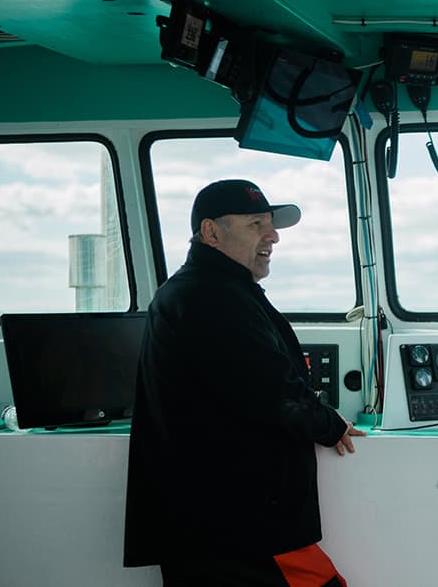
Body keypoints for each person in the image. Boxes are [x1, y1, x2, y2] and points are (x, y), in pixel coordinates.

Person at [124, 179, 365, 586]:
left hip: (214, 522)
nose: (272, 236)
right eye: (255, 224)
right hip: (240, 522)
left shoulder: (204, 290)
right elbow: (273, 393)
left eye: (271, 224)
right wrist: (330, 424)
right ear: (211, 232)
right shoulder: (211, 297)